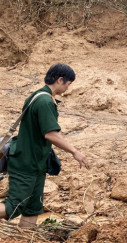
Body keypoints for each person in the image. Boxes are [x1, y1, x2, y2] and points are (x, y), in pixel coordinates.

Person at [1, 63, 90, 227]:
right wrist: (75, 151)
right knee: (14, 205)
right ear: (60, 80)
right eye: (68, 84)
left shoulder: (40, 96)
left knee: (33, 208)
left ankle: (24, 238)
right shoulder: (43, 101)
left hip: (37, 164)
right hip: (26, 162)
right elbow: (50, 134)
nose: (67, 89)